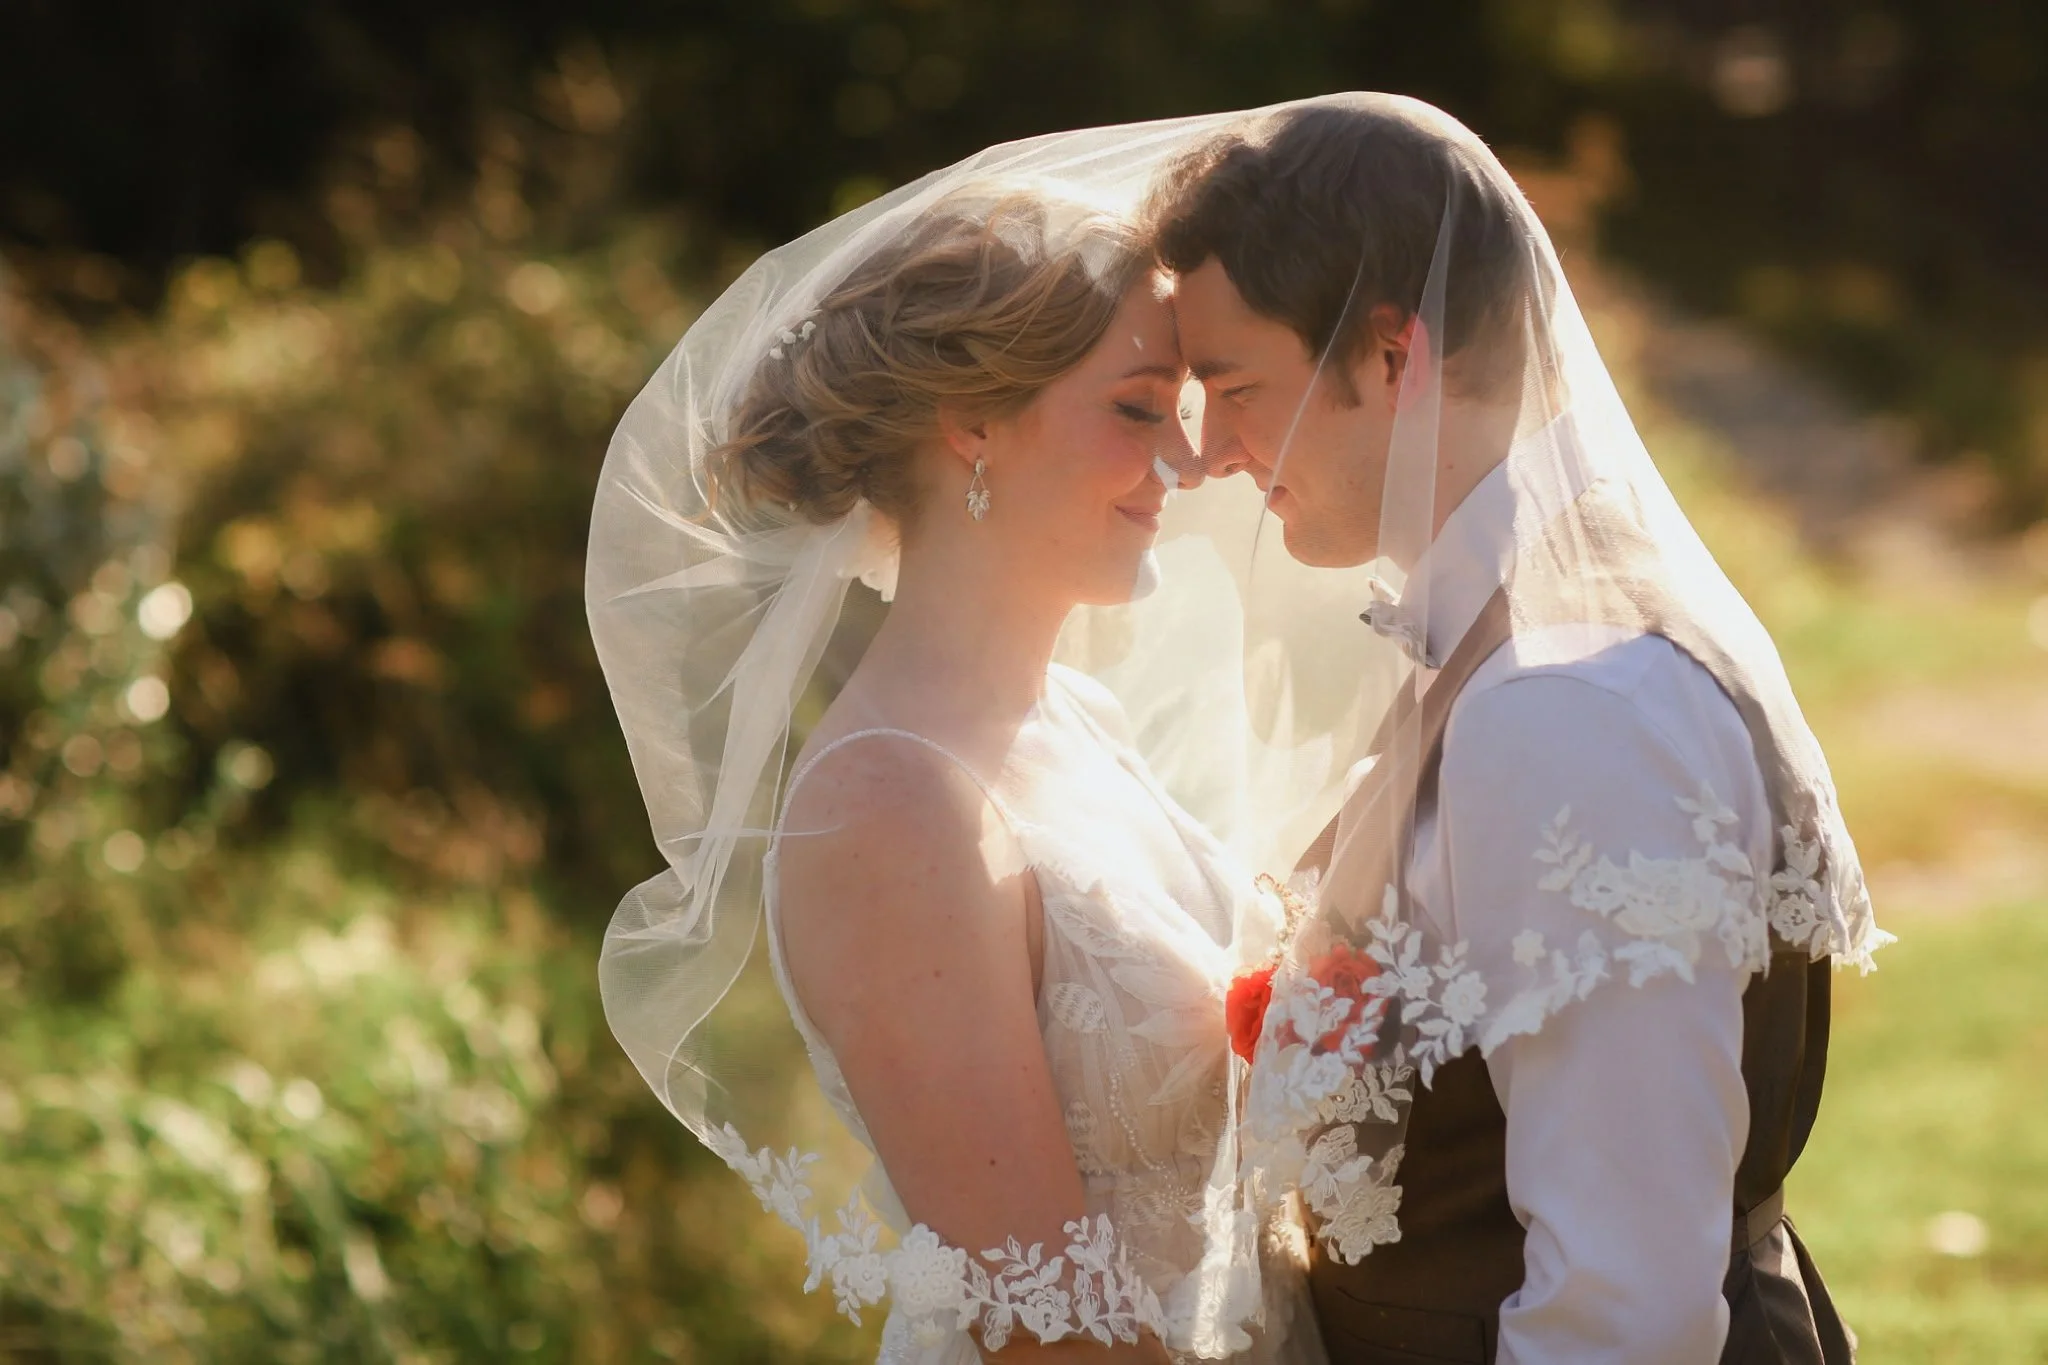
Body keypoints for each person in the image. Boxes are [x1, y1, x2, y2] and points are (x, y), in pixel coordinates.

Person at [1146, 94, 1891, 1364]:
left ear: (1394, 355)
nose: (1207, 450)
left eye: (1236, 385)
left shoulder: (1563, 705)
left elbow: (1625, 1307)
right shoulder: (1512, 633)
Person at [589, 168, 1327, 1362]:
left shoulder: (1078, 716)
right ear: (972, 422)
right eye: (1138, 411)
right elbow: (1046, 1335)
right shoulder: (891, 809)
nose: (1185, 465)